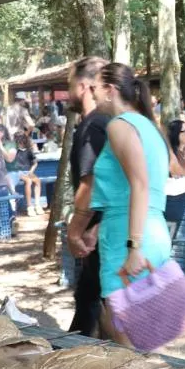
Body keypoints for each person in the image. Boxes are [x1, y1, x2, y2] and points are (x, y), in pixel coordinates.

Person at [90, 62, 173, 323]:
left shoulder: (119, 126)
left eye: (94, 87)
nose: (91, 94)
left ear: (110, 90)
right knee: (144, 337)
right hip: (149, 232)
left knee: (129, 344)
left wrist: (134, 246)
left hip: (131, 239)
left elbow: (140, 184)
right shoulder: (149, 126)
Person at [64, 56, 112, 338]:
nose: (68, 91)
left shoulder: (92, 127)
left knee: (92, 302)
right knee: (93, 300)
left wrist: (77, 230)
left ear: (83, 86)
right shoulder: (114, 123)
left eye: (70, 85)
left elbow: (90, 184)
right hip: (107, 231)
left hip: (99, 237)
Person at [11, 131, 42, 216]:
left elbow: (35, 163)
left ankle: (37, 204)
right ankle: (29, 206)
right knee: (28, 181)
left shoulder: (29, 151)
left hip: (28, 171)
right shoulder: (14, 151)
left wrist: (31, 171)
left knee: (37, 181)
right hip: (18, 172)